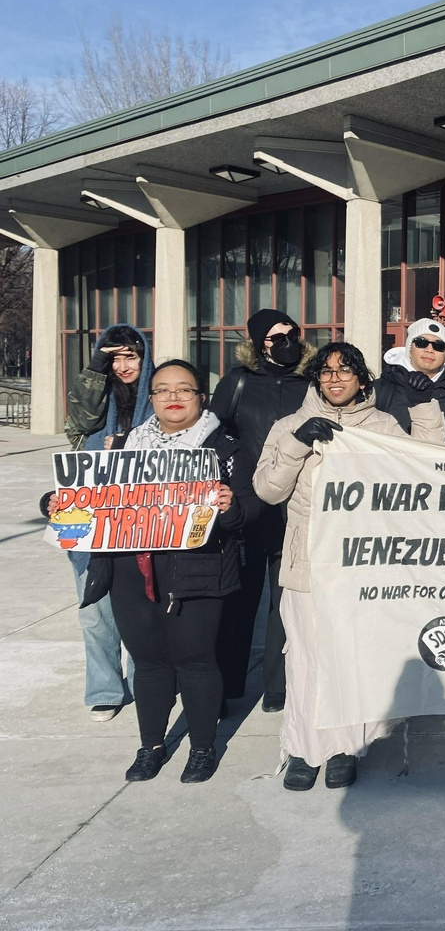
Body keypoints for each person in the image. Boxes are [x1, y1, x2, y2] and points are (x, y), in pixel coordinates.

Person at [254, 343, 438, 791]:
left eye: (346, 371)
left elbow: (429, 467)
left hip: (361, 564)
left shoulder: (381, 426)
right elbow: (267, 490)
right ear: (316, 378)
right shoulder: (288, 425)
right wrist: (298, 445)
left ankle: (343, 750)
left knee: (351, 658)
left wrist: (423, 403)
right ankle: (304, 749)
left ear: (362, 379)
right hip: (307, 565)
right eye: (327, 372)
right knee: (305, 658)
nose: (336, 379)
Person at [75, 360, 260, 784]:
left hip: (199, 569)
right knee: (149, 662)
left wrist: (232, 507)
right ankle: (151, 746)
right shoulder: (121, 445)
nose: (173, 398)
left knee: (196, 659)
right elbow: (86, 496)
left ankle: (201, 747)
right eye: (162, 390)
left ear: (201, 396)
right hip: (130, 570)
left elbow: (253, 507)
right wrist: (57, 502)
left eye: (184, 389)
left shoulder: (226, 447)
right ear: (151, 397)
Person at [209, 309, 315, 713]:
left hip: (296, 506)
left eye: (291, 333)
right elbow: (211, 431)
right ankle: (225, 686)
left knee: (285, 601)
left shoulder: (310, 383)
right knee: (238, 599)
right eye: (274, 337)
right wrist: (234, 460)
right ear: (258, 343)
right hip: (247, 506)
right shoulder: (238, 382)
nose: (285, 342)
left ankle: (278, 688)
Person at [63, 324, 154, 722]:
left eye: (130, 356)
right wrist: (96, 366)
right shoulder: (94, 401)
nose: (123, 365)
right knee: (95, 610)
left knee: (143, 606)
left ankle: (144, 683)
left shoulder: (155, 397)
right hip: (91, 514)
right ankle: (104, 689)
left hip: (142, 516)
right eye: (113, 358)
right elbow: (80, 419)